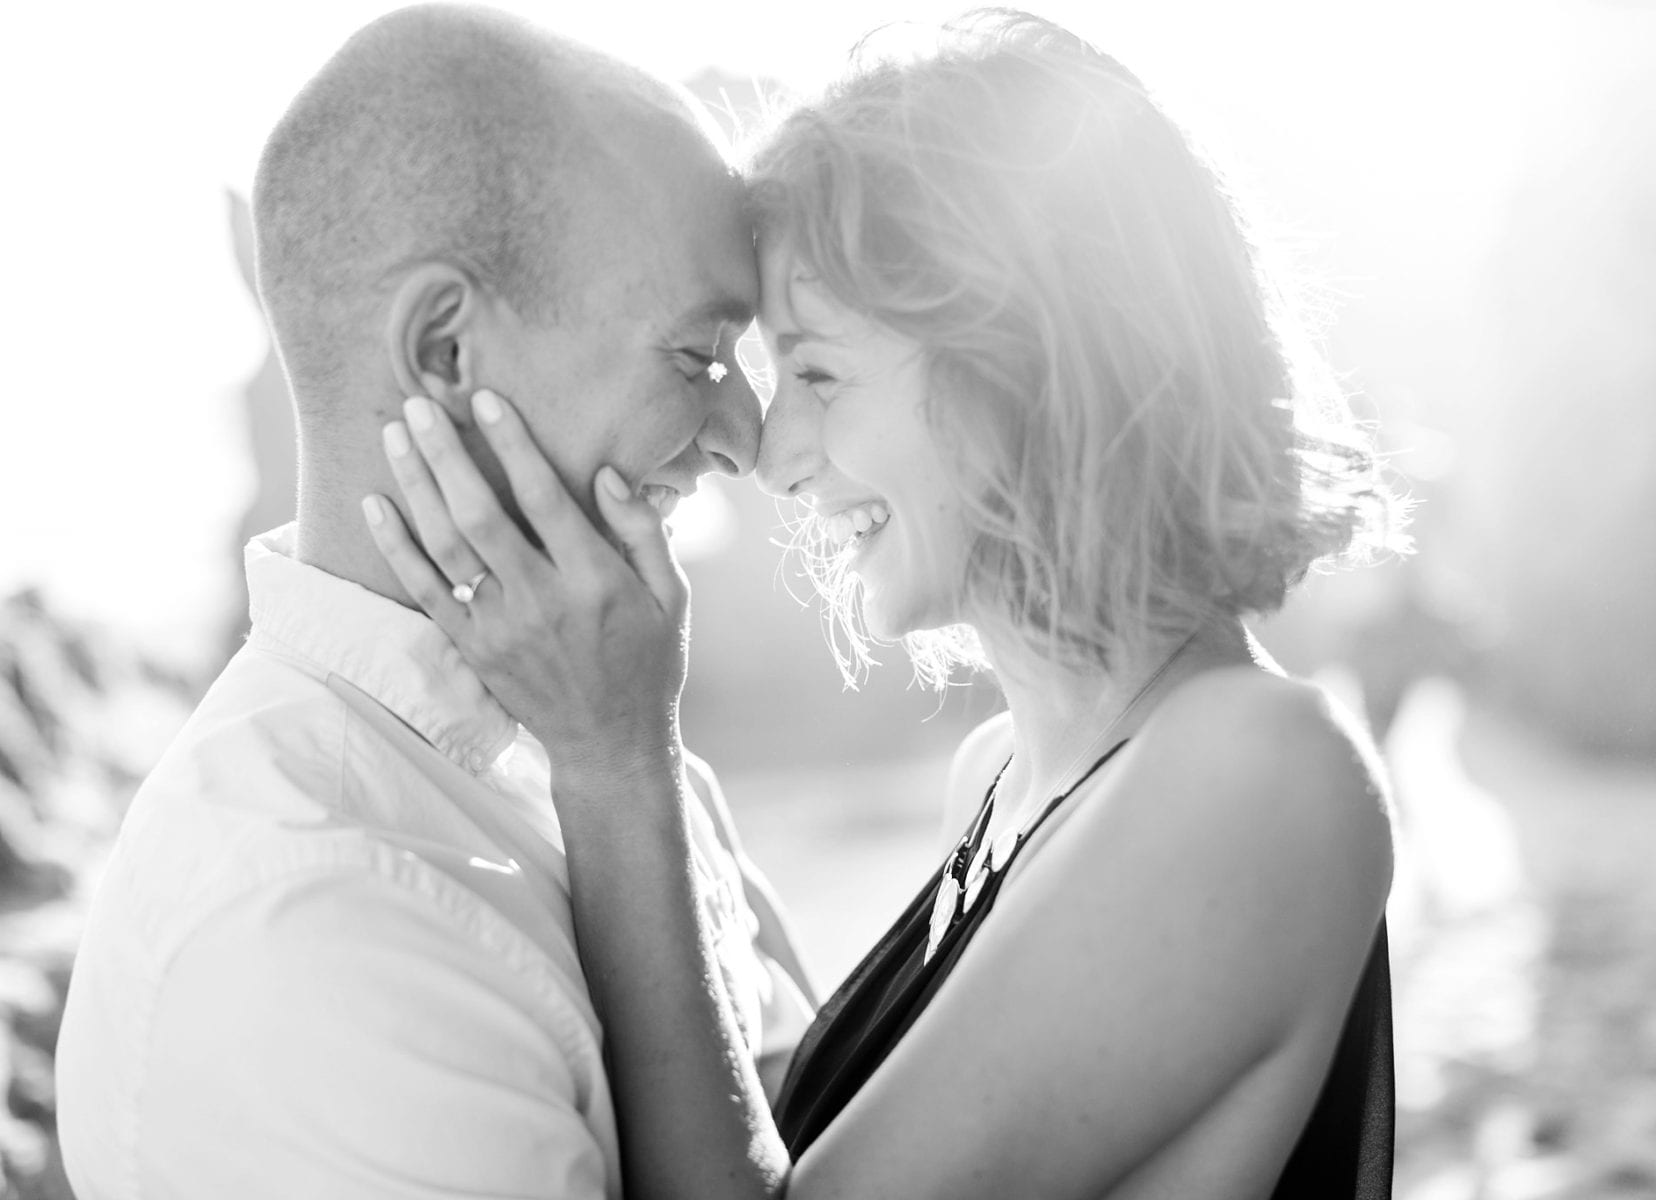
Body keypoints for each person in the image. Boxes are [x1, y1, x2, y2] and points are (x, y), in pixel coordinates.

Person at [366, 10, 1405, 1199]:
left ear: (1023, 365)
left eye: (815, 373)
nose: (771, 451)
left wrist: (617, 765)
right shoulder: (1004, 779)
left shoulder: (1253, 773)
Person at [53, 7, 814, 1198]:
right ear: (447, 354)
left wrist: (627, 770)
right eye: (695, 357)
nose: (743, 440)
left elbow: (807, 1125)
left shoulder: (604, 747)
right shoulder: (304, 923)